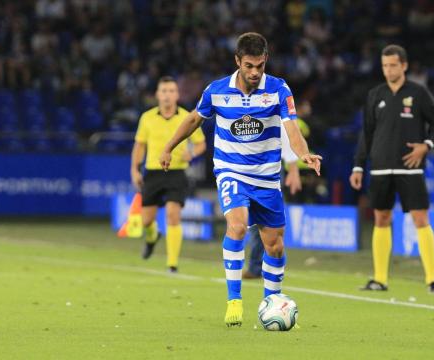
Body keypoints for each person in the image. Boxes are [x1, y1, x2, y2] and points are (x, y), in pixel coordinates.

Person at [159, 32, 322, 327]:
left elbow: (291, 128)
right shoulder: (217, 90)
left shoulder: (278, 89)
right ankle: (234, 300)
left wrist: (304, 155)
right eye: (249, 65)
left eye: (259, 65)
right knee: (236, 225)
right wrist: (169, 146)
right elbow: (194, 119)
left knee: (274, 245)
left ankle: (271, 301)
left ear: (266, 61)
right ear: (237, 61)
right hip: (231, 170)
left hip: (268, 176)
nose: (255, 72)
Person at [349, 44, 434, 293]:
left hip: (410, 168)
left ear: (404, 65)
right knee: (381, 218)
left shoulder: (419, 93)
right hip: (380, 167)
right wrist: (358, 166)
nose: (388, 70)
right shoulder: (375, 95)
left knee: (420, 218)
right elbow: (366, 133)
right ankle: (380, 279)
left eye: (393, 65)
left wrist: (427, 145)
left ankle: (432, 280)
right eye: (384, 65)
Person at [130, 76, 206, 273]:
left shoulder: (186, 117)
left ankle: (172, 264)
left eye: (171, 91)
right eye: (163, 91)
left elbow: (201, 144)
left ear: (177, 95)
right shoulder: (147, 117)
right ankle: (152, 237)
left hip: (177, 172)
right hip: (152, 172)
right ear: (157, 94)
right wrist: (134, 169)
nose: (167, 95)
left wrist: (192, 153)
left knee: (173, 215)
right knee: (146, 221)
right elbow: (139, 145)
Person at [242, 125, 302, 280]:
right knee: (253, 221)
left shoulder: (271, 102)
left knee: (265, 221)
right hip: (242, 166)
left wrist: (293, 169)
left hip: (268, 167)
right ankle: (261, 266)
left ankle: (263, 267)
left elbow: (286, 131)